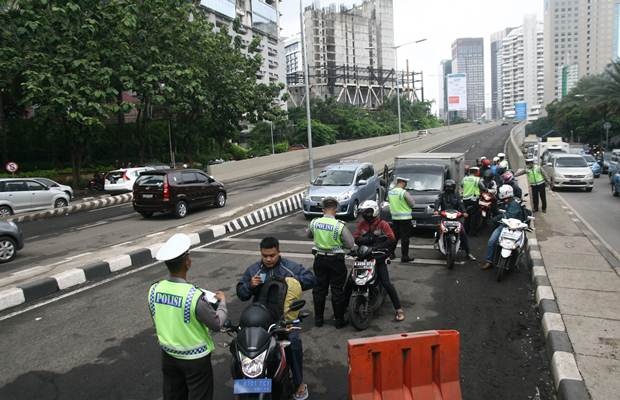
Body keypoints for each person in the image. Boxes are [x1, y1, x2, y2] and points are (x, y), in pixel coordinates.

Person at [148, 233, 227, 400]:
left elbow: (159, 317)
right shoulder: (194, 296)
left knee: (174, 396)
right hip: (195, 360)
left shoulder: (154, 289)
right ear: (187, 262)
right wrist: (222, 303)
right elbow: (217, 324)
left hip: (168, 355)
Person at [237, 237, 315, 400]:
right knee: (242, 346)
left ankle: (299, 383)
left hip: (284, 319)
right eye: (265, 255)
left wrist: (292, 282)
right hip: (260, 320)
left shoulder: (290, 267)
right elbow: (241, 294)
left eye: (272, 255)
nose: (268, 259)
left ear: (279, 252)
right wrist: (250, 286)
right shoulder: (254, 271)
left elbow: (311, 279)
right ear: (261, 253)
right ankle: (246, 382)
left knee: (293, 343)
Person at [353, 200, 405, 321]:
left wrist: (380, 248)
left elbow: (391, 239)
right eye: (364, 212)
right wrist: (365, 241)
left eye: (368, 212)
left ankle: (398, 309)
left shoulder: (383, 224)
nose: (366, 215)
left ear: (374, 211)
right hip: (364, 256)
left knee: (386, 283)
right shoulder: (361, 225)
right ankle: (342, 309)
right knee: (351, 281)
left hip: (378, 256)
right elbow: (356, 238)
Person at [307, 197, 356, 329]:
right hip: (336, 261)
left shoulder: (315, 222)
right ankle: (339, 321)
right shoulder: (339, 225)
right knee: (337, 290)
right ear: (335, 210)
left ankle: (318, 320)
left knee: (319, 289)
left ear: (323, 210)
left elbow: (309, 235)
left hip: (319, 259)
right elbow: (350, 244)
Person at [482, 185, 526, 270]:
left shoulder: (515, 204)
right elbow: (498, 212)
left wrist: (495, 219)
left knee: (519, 244)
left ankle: (516, 262)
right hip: (504, 226)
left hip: (515, 228)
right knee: (492, 241)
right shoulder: (504, 203)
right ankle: (489, 261)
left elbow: (508, 215)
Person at [433, 179, 477, 261]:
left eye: (450, 187)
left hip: (456, 217)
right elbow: (437, 202)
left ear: (453, 187)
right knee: (439, 228)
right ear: (445, 187)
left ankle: (468, 253)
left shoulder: (457, 196)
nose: (449, 189)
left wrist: (464, 212)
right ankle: (436, 242)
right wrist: (436, 210)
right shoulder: (441, 195)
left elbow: (461, 204)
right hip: (444, 216)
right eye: (447, 187)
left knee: (463, 233)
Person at [387, 177, 416, 262]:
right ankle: (404, 256)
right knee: (405, 238)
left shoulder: (390, 192)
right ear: (402, 182)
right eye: (405, 183)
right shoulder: (403, 192)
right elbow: (412, 204)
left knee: (394, 237)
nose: (406, 185)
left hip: (395, 218)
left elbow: (390, 202)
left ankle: (391, 253)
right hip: (405, 219)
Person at [461, 166, 485, 235]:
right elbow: (482, 187)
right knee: (474, 217)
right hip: (474, 200)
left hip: (465, 199)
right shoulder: (477, 179)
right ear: (476, 172)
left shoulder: (465, 178)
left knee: (467, 216)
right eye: (478, 172)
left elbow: (462, 185)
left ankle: (465, 231)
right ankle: (472, 232)